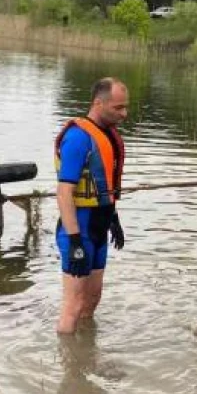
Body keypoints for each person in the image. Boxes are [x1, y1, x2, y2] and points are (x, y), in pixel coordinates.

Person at [55, 77, 128, 333]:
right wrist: (75, 241)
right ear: (99, 102)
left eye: (125, 107)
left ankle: (84, 356)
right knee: (73, 304)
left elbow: (103, 185)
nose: (124, 114)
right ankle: (69, 369)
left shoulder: (107, 136)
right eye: (118, 108)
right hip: (80, 229)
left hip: (99, 226)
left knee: (93, 298)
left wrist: (113, 218)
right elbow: (64, 193)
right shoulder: (78, 138)